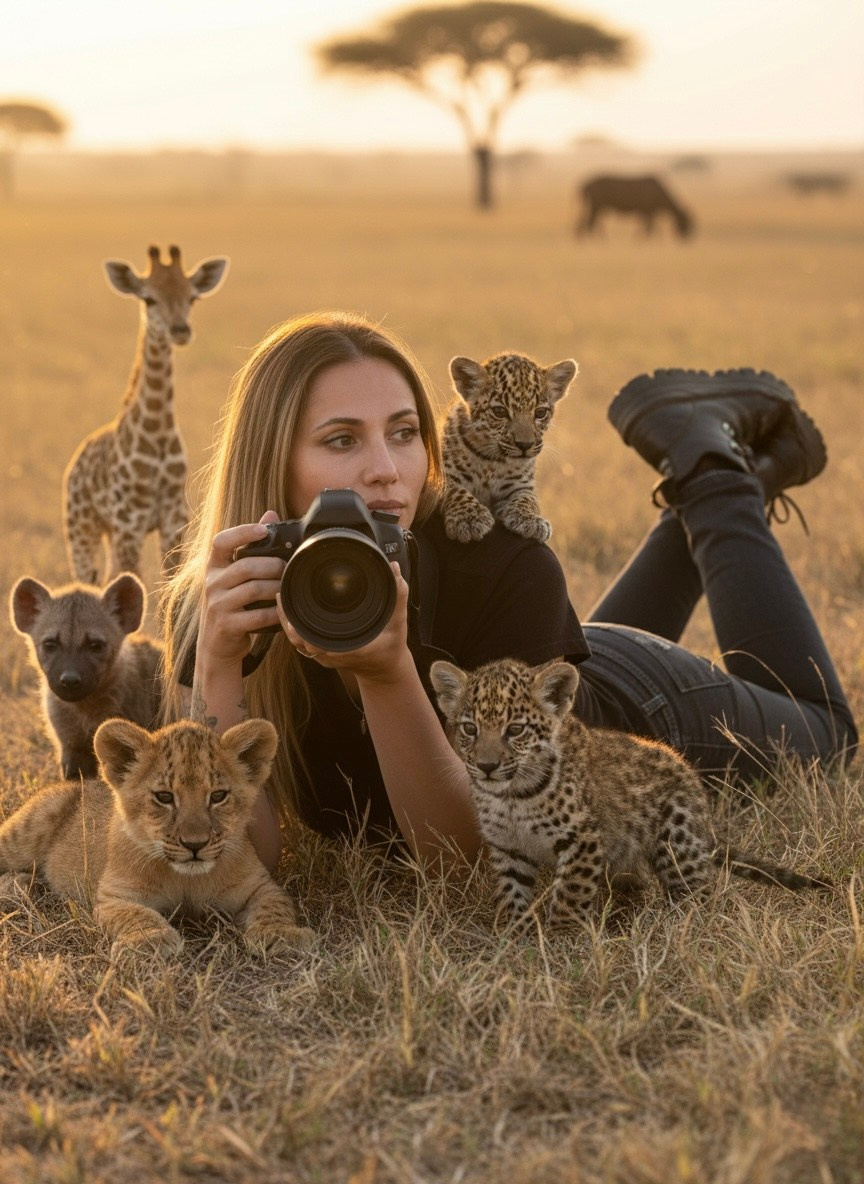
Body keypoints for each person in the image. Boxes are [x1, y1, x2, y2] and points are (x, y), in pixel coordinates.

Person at [161, 312, 858, 870]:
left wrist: (386, 670)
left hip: (639, 709)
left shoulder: (500, 563)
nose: (386, 471)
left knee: (832, 736)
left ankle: (712, 467)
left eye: (404, 433)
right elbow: (226, 867)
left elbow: (472, 861)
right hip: (538, 664)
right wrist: (217, 666)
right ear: (271, 463)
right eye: (342, 441)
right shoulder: (227, 596)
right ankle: (729, 472)